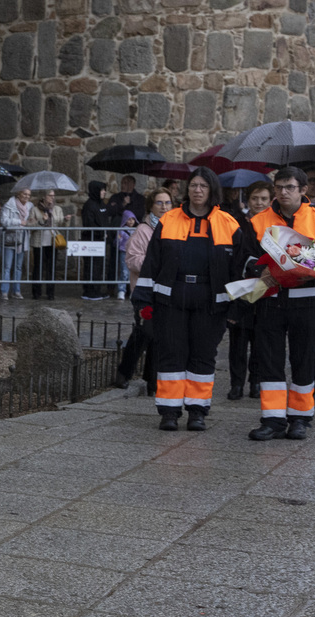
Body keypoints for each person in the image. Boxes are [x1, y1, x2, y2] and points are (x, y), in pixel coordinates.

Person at [132, 167, 243, 431]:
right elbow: (151, 265)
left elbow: (238, 270)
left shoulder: (229, 224)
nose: (197, 190)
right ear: (187, 189)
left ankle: (197, 411)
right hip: (171, 299)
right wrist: (144, 302)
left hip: (210, 301)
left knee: (203, 356)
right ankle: (169, 412)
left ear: (212, 190)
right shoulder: (168, 220)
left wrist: (237, 306)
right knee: (171, 354)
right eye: (194, 185)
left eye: (204, 186)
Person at [243, 166, 315, 440]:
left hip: (308, 301)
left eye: (290, 187)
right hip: (270, 298)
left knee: (304, 359)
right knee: (269, 360)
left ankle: (300, 418)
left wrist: (306, 266)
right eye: (279, 187)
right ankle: (272, 419)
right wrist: (258, 271)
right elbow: (244, 258)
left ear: (304, 190)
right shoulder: (258, 221)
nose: (283, 192)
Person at [116, 189, 174, 389]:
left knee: (160, 334)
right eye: (160, 203)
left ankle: (152, 378)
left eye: (167, 203)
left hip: (165, 290)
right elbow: (132, 260)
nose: (164, 207)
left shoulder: (174, 228)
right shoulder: (143, 230)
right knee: (144, 332)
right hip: (145, 292)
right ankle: (124, 372)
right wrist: (156, 263)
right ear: (151, 206)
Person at [226, 180, 272, 400]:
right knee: (238, 339)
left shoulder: (274, 225)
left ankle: (255, 382)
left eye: (263, 199)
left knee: (260, 340)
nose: (259, 203)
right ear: (248, 199)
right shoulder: (238, 224)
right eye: (255, 198)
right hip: (242, 286)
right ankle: (236, 384)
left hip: (265, 288)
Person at [27, 189, 63, 300]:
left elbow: (60, 222)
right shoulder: (35, 209)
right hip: (39, 242)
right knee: (38, 267)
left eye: (53, 195)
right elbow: (30, 225)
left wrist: (64, 219)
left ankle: (50, 293)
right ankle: (36, 293)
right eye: (50, 195)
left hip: (52, 242)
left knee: (51, 268)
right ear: (44, 197)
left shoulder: (57, 209)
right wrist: (41, 220)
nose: (52, 197)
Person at [81, 181, 114, 299]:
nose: (104, 192)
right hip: (91, 241)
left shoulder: (101, 204)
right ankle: (89, 291)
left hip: (100, 241)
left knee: (99, 266)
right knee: (91, 266)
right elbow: (89, 223)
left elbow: (105, 220)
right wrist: (101, 233)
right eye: (102, 190)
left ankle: (97, 289)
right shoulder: (89, 205)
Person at [0, 187, 32, 300]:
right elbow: (3, 221)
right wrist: (20, 222)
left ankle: (16, 291)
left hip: (22, 240)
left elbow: (32, 221)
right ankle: (4, 291)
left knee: (18, 267)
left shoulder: (30, 207)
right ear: (19, 194)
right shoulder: (9, 205)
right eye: (25, 194)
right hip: (10, 238)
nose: (27, 196)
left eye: (29, 194)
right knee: (7, 266)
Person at [115, 209, 138, 300]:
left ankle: (133, 291)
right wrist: (119, 240)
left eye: (133, 219)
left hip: (134, 253)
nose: (131, 221)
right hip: (124, 252)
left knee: (134, 272)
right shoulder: (121, 230)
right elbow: (117, 241)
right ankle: (121, 290)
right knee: (124, 272)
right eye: (129, 219)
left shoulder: (137, 230)